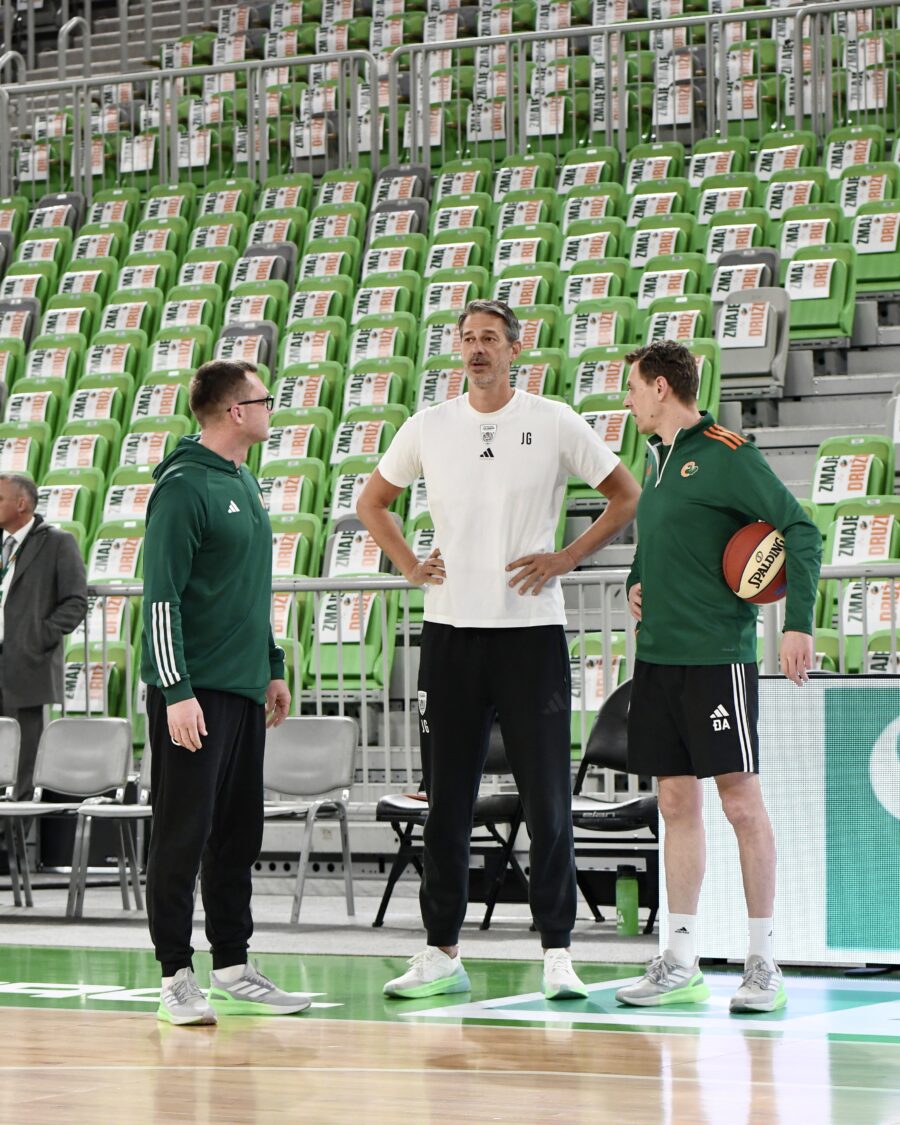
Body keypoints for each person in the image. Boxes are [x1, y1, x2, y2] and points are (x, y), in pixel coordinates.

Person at [357, 299, 641, 1001]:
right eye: (468, 339)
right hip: (451, 634)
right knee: (446, 804)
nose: (477, 349)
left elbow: (625, 494)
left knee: (547, 800)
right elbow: (373, 503)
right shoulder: (429, 425)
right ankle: (441, 951)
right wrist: (409, 564)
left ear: (516, 349)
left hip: (531, 636)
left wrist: (566, 557)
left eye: (489, 338)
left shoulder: (554, 420)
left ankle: (558, 953)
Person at [615, 340, 822, 1014]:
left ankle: (764, 962)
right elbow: (661, 541)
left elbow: (801, 529)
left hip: (715, 657)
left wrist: (797, 623)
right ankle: (680, 960)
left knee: (740, 803)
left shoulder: (729, 453)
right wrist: (636, 580)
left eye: (632, 388)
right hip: (658, 659)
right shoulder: (657, 459)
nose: (627, 401)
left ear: (661, 388)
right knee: (675, 805)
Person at [141, 359, 310, 1026]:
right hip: (194, 693)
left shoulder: (243, 479)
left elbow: (248, 590)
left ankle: (234, 965)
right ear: (236, 411)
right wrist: (176, 690)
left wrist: (271, 664)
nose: (272, 410)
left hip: (241, 689)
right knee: (182, 835)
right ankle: (174, 977)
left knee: (238, 834)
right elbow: (160, 600)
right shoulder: (183, 488)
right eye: (264, 400)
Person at [0, 473, 86, 798]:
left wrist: (37, 638)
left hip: (26, 663)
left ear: (21, 504)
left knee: (22, 763)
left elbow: (75, 602)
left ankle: (19, 829)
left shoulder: (56, 542)